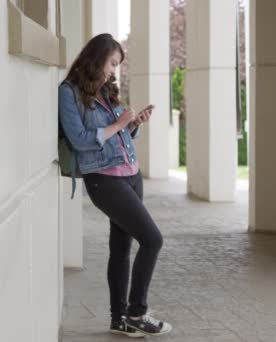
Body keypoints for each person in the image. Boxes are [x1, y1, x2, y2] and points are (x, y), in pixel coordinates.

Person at [58, 33, 171, 338]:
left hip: (130, 175)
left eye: (117, 65)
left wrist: (133, 125)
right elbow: (81, 141)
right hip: (104, 179)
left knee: (121, 248)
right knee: (152, 239)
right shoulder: (68, 93)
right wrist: (119, 124)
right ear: (97, 58)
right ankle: (137, 313)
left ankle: (118, 318)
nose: (112, 70)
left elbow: (115, 137)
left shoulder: (105, 92)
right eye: (111, 63)